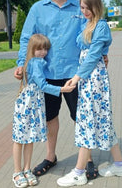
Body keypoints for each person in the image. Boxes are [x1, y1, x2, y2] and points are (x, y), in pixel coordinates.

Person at [15, 0, 102, 180]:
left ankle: (87, 160)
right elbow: (26, 38)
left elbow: (95, 27)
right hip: (47, 74)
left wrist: (103, 53)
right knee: (49, 118)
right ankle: (50, 157)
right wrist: (21, 64)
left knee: (80, 117)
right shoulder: (37, 9)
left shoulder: (79, 7)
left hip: (75, 74)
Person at [57, 0, 122, 187]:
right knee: (101, 120)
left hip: (94, 78)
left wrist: (76, 77)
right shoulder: (87, 24)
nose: (85, 11)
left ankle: (79, 172)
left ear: (96, 7)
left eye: (88, 8)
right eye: (82, 8)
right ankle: (120, 164)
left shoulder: (102, 26)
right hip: (88, 77)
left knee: (88, 120)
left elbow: (93, 55)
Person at [12, 33, 75, 188]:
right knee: (20, 139)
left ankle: (27, 169)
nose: (43, 52)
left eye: (45, 49)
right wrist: (62, 89)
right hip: (27, 105)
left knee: (30, 138)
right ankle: (17, 171)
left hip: (33, 105)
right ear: (32, 49)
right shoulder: (36, 64)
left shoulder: (36, 62)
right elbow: (42, 85)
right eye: (39, 49)